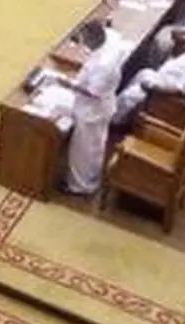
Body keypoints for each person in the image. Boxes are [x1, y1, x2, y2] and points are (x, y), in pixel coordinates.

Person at [49, 20, 129, 196]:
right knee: (95, 145)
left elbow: (93, 92)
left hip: (93, 110)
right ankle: (91, 179)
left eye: (84, 40)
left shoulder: (104, 65)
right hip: (99, 106)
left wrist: (69, 84)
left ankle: (79, 186)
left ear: (93, 40)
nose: (83, 44)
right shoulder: (109, 44)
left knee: (83, 150)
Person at [111, 31, 185, 126]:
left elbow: (179, 89)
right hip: (161, 79)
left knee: (130, 96)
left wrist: (152, 86)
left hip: (162, 94)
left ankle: (114, 121)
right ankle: (117, 111)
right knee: (144, 73)